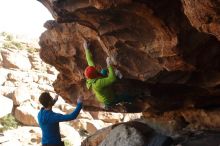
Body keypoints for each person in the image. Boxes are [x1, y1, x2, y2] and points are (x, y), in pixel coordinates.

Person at [83, 40, 129, 108]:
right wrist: (109, 65)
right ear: (95, 74)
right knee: (126, 96)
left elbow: (89, 61)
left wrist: (86, 49)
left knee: (103, 71)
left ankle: (115, 73)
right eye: (95, 70)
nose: (95, 68)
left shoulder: (90, 75)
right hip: (109, 99)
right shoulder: (97, 83)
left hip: (104, 89)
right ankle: (130, 99)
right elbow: (112, 79)